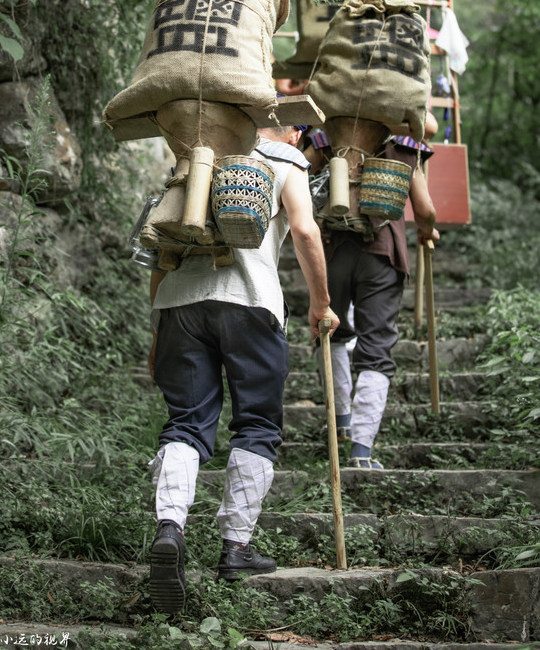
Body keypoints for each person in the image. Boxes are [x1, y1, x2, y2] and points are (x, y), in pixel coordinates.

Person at [147, 123, 338, 614]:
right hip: (251, 304)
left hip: (178, 305)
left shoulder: (196, 156)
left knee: (186, 423)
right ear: (289, 128)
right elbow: (304, 229)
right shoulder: (284, 158)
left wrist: (156, 331)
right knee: (256, 425)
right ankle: (235, 547)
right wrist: (321, 302)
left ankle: (170, 529)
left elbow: (162, 248)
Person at [305, 116, 439, 470]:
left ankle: (342, 422)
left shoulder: (326, 138)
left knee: (329, 332)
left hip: (332, 252)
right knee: (376, 346)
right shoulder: (405, 148)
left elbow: (303, 186)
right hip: (382, 255)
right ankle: (362, 452)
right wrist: (427, 231)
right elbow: (424, 210)